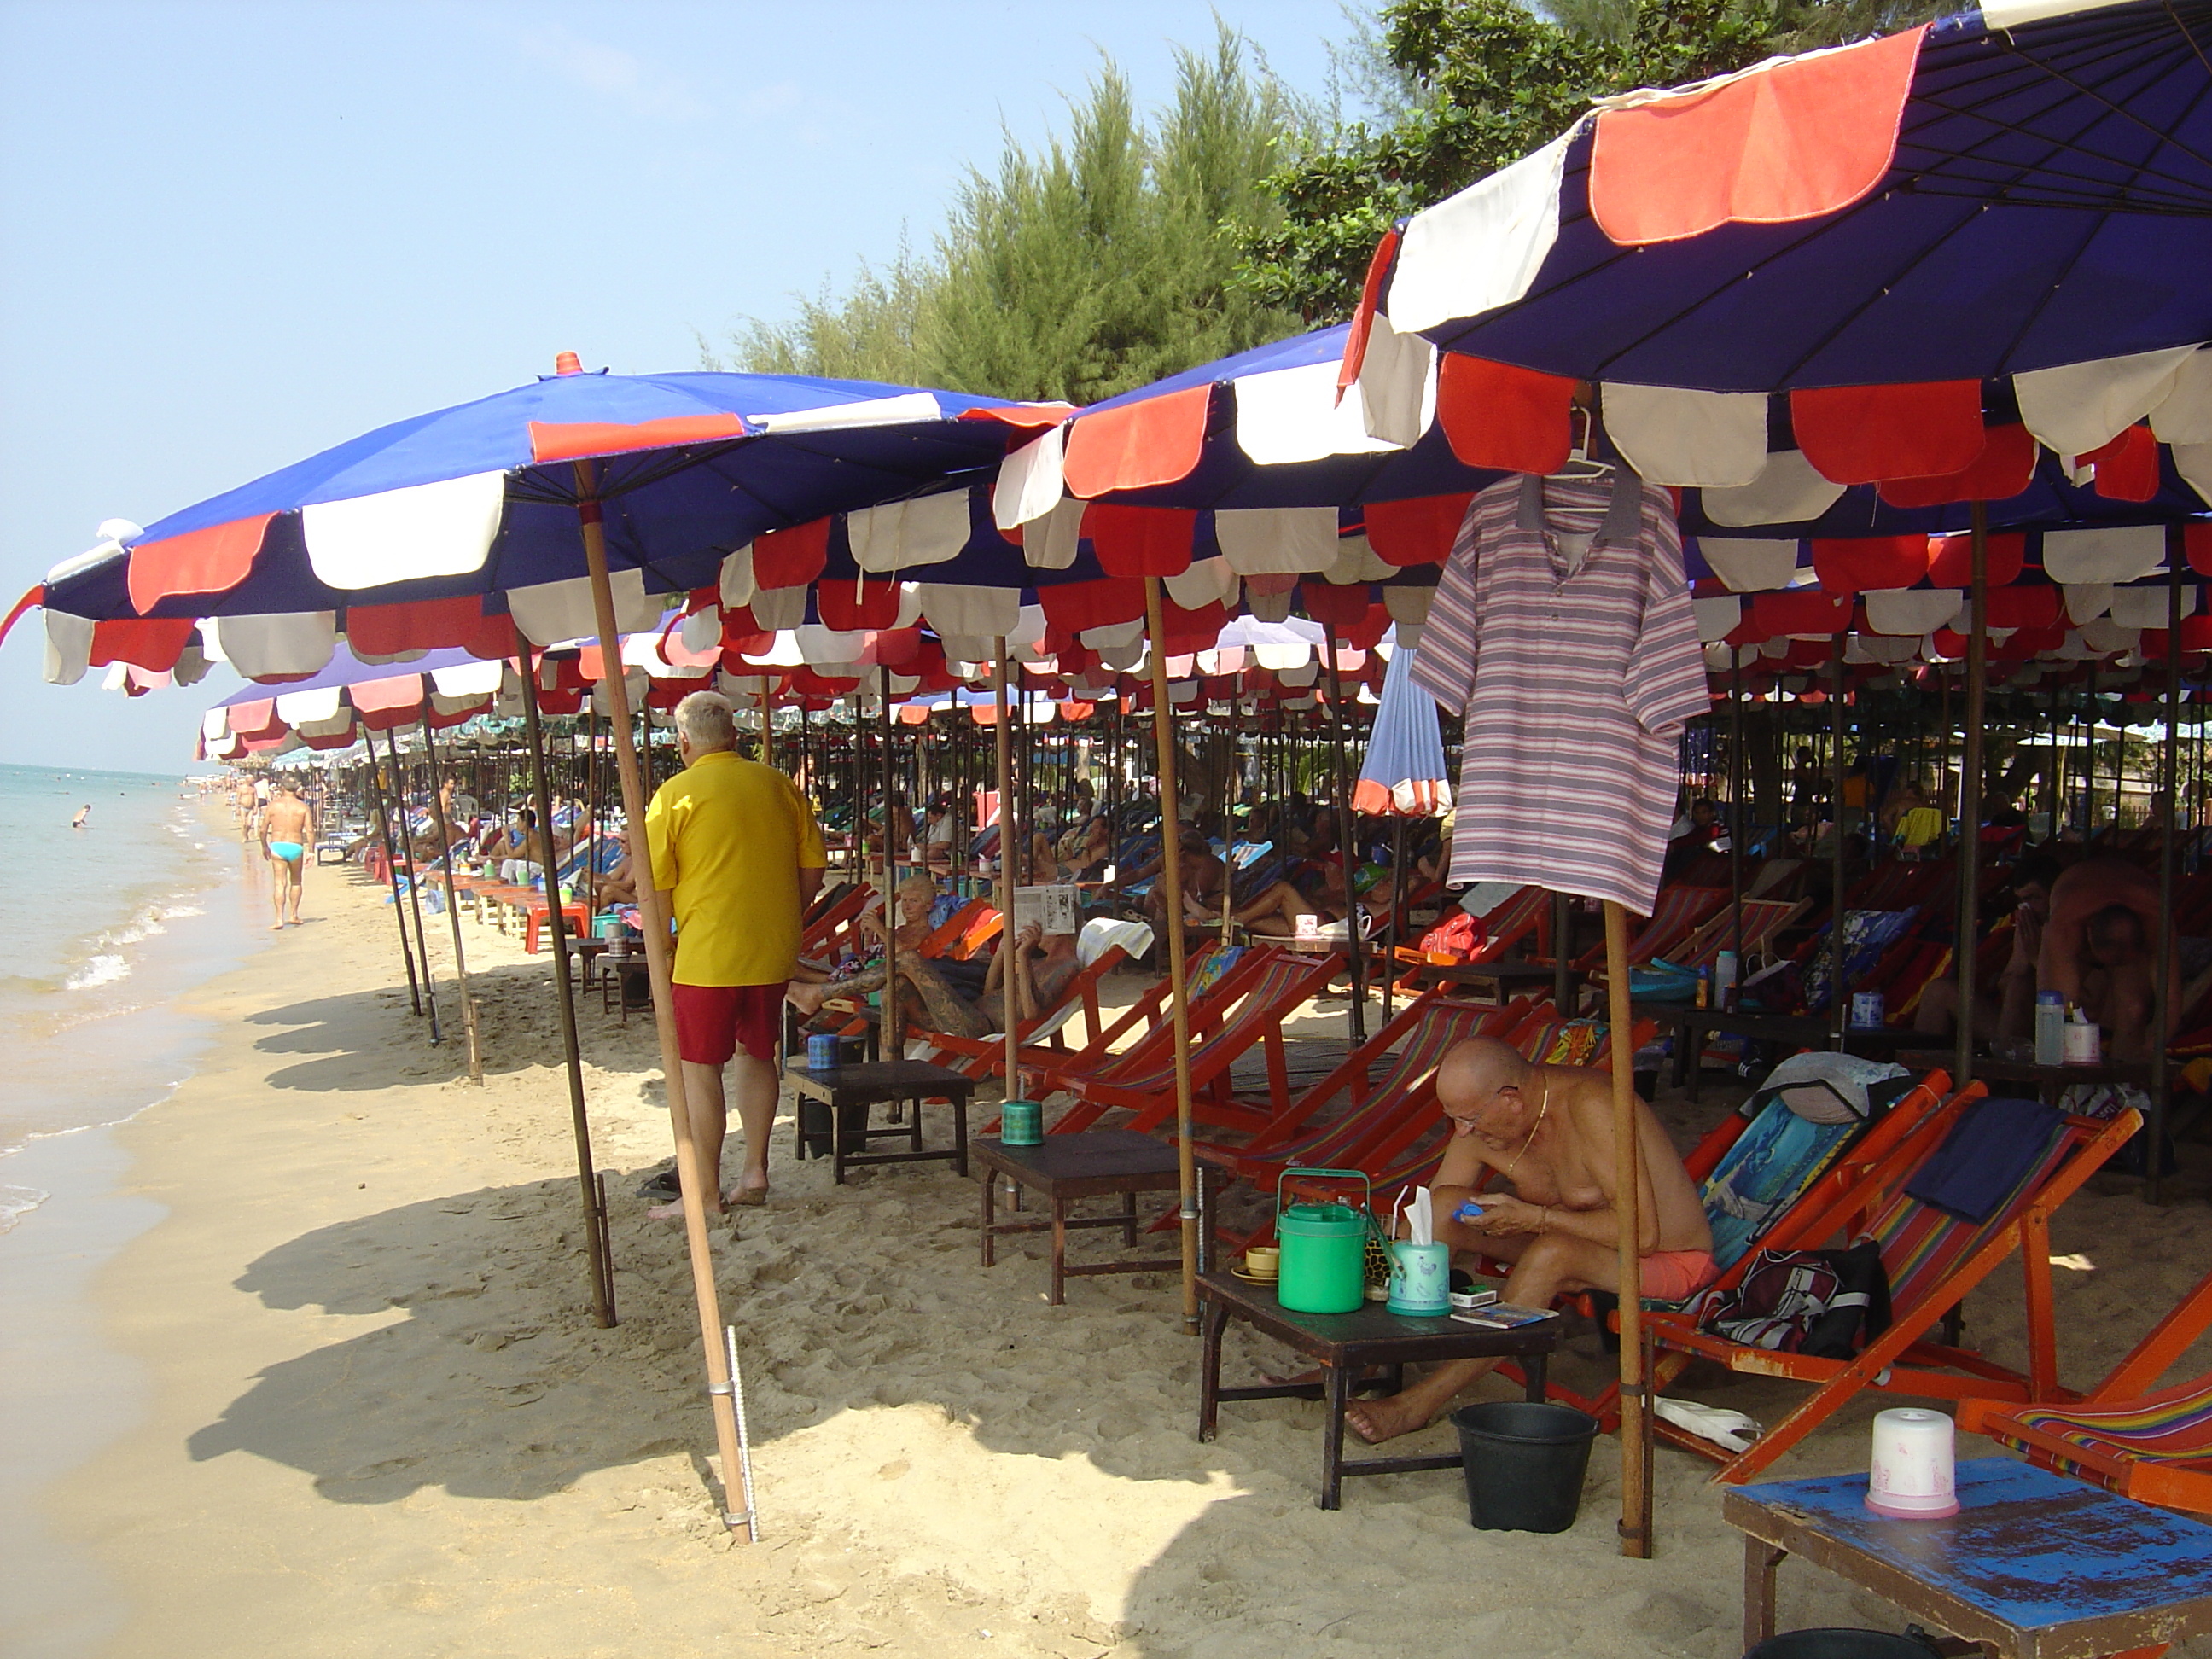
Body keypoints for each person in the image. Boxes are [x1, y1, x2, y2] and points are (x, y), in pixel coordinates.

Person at [1344, 1036, 1714, 1444]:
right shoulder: (1488, 1123)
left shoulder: (1592, 1107)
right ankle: (1360, 1362)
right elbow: (1428, 1216)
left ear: (1511, 1100)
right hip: (1568, 1241)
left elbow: (1642, 1234)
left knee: (1552, 1252)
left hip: (1666, 1258)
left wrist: (1535, 1218)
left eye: (1469, 1118)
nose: (1462, 1131)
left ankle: (1416, 1404)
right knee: (1443, 1207)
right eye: (1453, 1119)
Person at [643, 690, 826, 1217]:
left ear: (683, 743)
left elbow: (656, 888)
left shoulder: (674, 796)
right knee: (758, 1053)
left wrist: (661, 950)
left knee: (700, 1069)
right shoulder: (779, 786)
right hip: (772, 950)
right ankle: (755, 1170)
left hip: (707, 955)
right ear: (736, 738)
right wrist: (785, 911)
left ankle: (702, 1194)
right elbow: (812, 869)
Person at [2038, 855, 2183, 1061]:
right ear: (2087, 935)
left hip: (2129, 909)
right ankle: (2066, 1090)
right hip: (2075, 898)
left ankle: (2122, 1085)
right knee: (2059, 1009)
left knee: (2133, 1010)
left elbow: (2170, 999)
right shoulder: (2066, 924)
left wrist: (2149, 1049)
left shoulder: (2156, 922)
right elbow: (2058, 1009)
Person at [1914, 853, 2057, 1049]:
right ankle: (1923, 1075)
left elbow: (2072, 997)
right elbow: (2009, 978)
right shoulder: (2029, 925)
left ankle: (2003, 1075)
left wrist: (2035, 960)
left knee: (2019, 987)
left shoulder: (2070, 928)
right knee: (1938, 991)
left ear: (2055, 894)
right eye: (2023, 900)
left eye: (2035, 898)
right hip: (2015, 1024)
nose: (2027, 907)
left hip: (2061, 1027)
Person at [259, 780, 314, 929]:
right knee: (296, 881)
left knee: (279, 883)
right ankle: (294, 915)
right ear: (297, 789)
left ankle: (278, 919)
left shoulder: (273, 806)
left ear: (282, 788)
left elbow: (263, 829)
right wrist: (312, 851)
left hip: (277, 845)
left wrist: (264, 846)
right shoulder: (303, 807)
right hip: (295, 845)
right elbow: (309, 831)